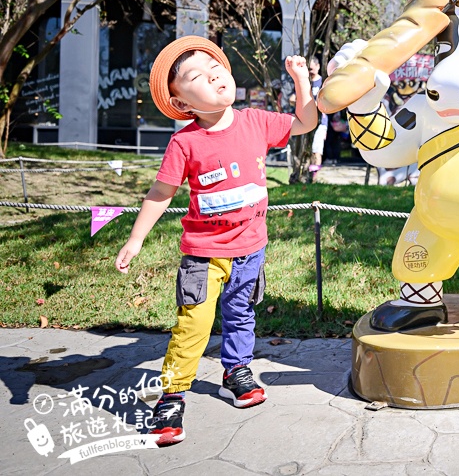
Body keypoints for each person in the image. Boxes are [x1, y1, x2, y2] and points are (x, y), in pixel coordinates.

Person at [114, 36, 318, 446]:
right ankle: (171, 397)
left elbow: (305, 122)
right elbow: (161, 193)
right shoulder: (184, 142)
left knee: (241, 314)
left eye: (215, 68)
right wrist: (135, 239)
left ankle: (236, 370)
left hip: (251, 248)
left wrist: (301, 82)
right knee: (194, 325)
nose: (214, 76)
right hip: (204, 255)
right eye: (197, 78)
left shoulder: (256, 121)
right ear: (184, 104)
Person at [307, 56, 329, 181]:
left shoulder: (323, 83)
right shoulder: (306, 83)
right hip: (306, 121)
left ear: (318, 66)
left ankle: (315, 176)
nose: (310, 71)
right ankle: (308, 173)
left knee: (317, 149)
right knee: (308, 149)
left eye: (311, 68)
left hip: (320, 122)